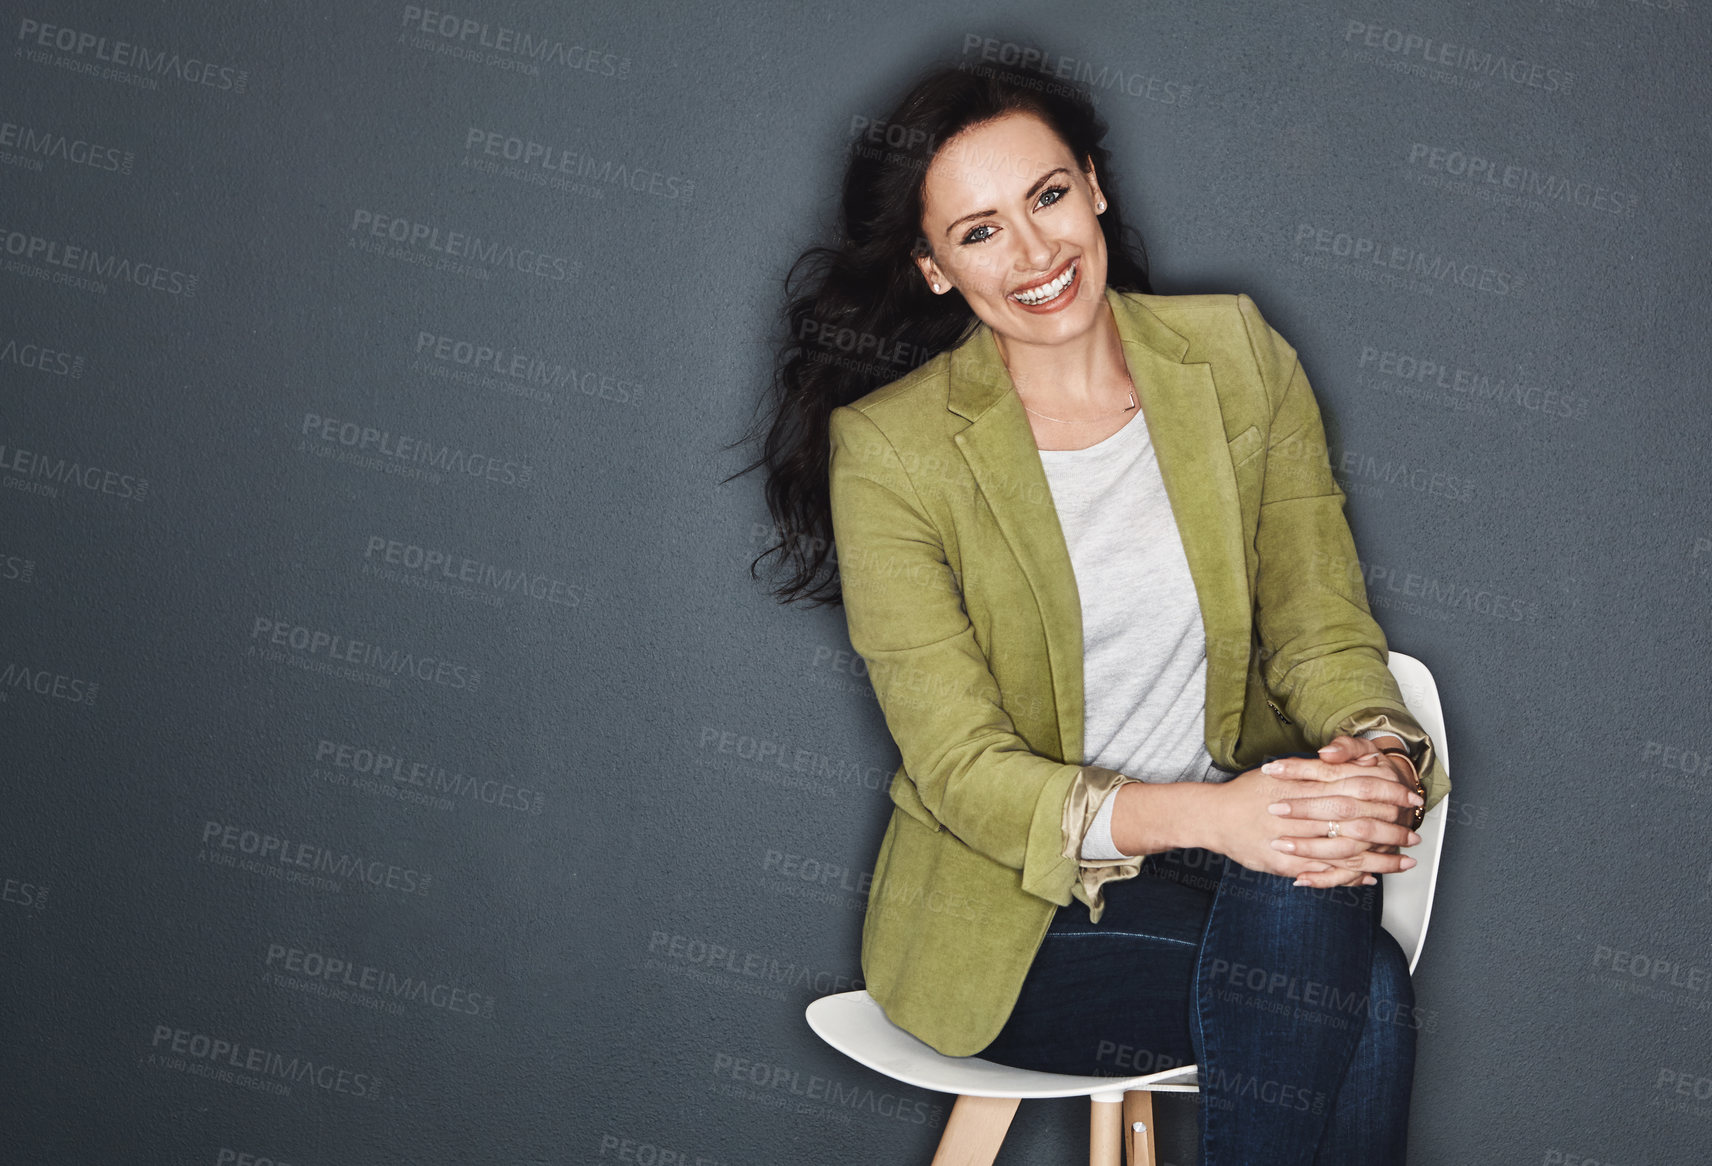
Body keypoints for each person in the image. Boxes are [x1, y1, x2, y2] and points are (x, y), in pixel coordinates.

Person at [737, 55, 1449, 1164]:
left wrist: (1374, 751)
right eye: (977, 233)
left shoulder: (1236, 355)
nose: (1033, 252)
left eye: (1047, 196)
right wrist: (1219, 816)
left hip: (1236, 861)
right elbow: (960, 767)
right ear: (931, 269)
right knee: (1350, 974)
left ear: (1093, 185)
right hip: (1017, 917)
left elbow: (1320, 626)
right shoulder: (890, 452)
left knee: (1312, 882)